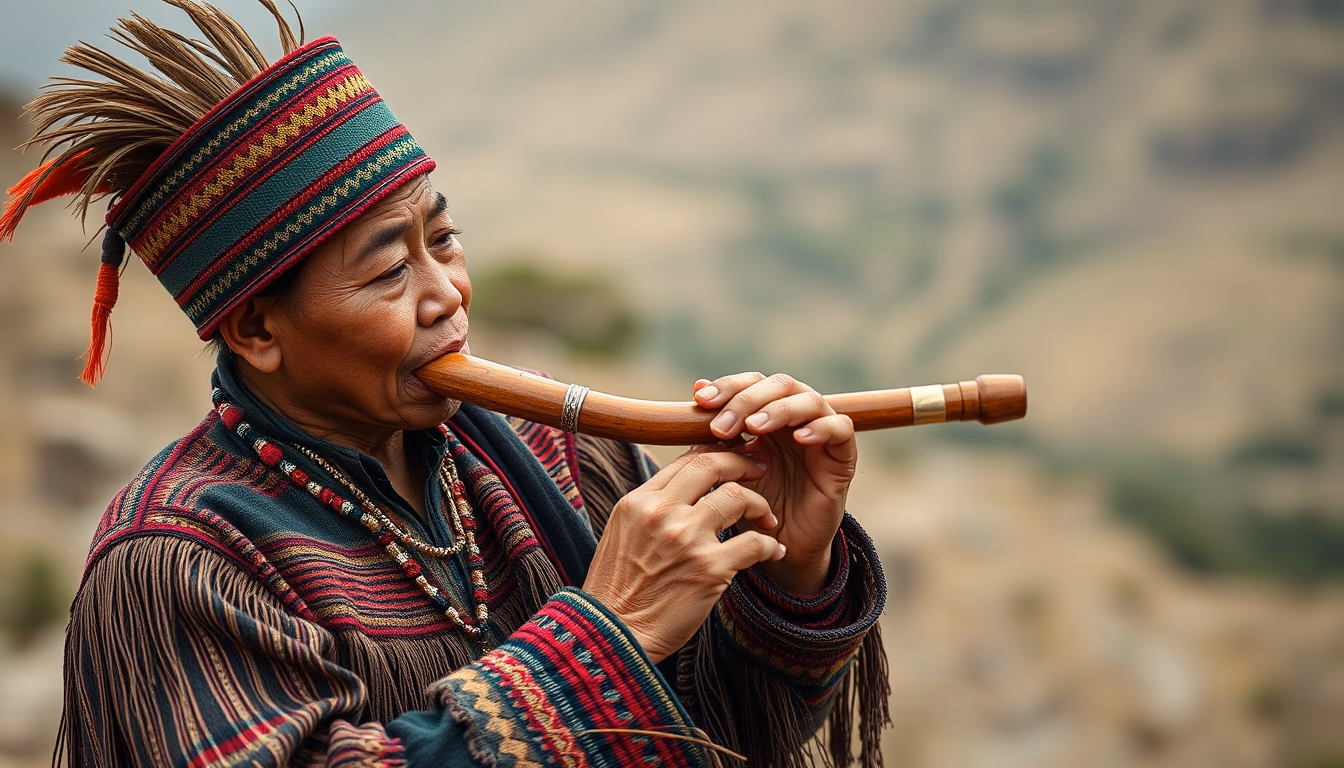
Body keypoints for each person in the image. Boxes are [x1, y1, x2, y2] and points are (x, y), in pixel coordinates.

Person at [2, 3, 889, 766]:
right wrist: (603, 634)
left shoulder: (564, 449)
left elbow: (724, 728)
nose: (447, 293)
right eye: (390, 272)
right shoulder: (176, 563)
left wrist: (794, 566)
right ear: (258, 329)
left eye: (446, 239)